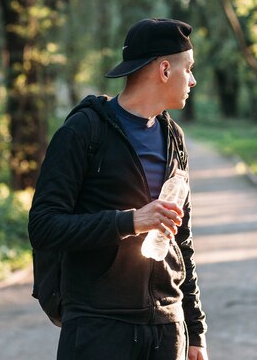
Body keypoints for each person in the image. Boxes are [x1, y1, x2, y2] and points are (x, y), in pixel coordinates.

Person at [28, 18, 208, 360]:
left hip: (167, 327)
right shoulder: (83, 132)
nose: (193, 80)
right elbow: (43, 226)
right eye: (190, 69)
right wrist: (130, 222)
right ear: (165, 69)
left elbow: (182, 237)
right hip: (99, 326)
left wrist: (195, 330)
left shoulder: (174, 138)